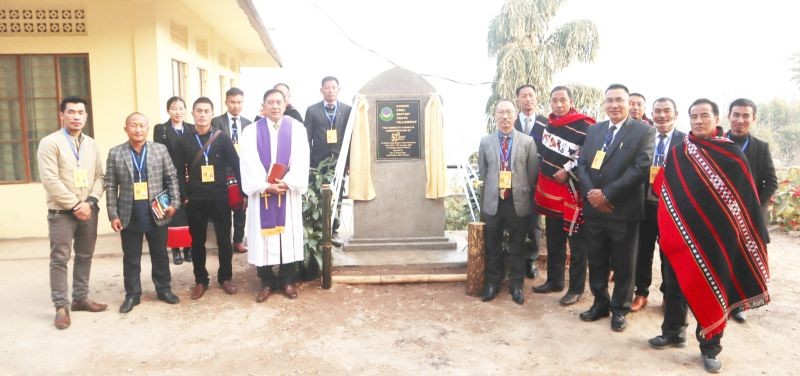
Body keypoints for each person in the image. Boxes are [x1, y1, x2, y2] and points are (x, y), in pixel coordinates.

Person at [647, 98, 770, 373]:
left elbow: (743, 201)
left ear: (717, 119)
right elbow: (665, 191)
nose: (699, 121)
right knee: (674, 286)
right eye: (694, 116)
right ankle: (673, 332)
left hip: (716, 240)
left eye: (705, 116)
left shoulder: (732, 155)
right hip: (679, 236)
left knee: (711, 289)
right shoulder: (679, 152)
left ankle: (710, 346)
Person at [576, 84, 654, 332]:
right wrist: (592, 195)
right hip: (594, 210)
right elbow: (583, 164)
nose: (614, 105)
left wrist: (607, 194)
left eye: (619, 100)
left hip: (624, 211)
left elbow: (640, 169)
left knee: (624, 263)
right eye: (609, 100)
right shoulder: (594, 130)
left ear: (629, 103)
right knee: (596, 260)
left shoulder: (643, 131)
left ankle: (620, 309)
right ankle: (600, 302)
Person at [37, 96, 107, 329]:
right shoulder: (50, 143)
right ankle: (60, 306)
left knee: (85, 255)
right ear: (62, 115)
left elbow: (100, 176)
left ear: (86, 116)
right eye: (72, 112)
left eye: (81, 112)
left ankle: (80, 298)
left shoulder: (91, 144)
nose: (76, 116)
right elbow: (50, 179)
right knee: (60, 259)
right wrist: (76, 206)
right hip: (62, 212)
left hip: (89, 208)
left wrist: (90, 202)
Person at [105, 113, 181, 313]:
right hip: (129, 214)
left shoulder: (159, 150)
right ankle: (132, 295)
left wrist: (174, 203)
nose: (138, 129)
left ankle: (164, 289)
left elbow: (172, 177)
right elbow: (111, 185)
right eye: (133, 125)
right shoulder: (115, 153)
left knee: (160, 255)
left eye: (142, 126)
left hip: (157, 212)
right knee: (131, 258)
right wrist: (113, 214)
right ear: (126, 128)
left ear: (148, 129)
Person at [240, 89, 310, 301]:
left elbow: (302, 158)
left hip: (288, 194)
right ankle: (267, 282)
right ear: (263, 106)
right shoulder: (251, 131)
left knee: (288, 236)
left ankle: (287, 280)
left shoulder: (297, 128)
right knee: (263, 240)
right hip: (262, 194)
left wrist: (288, 182)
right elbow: (248, 161)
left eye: (279, 102)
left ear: (286, 104)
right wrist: (264, 185)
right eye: (270, 102)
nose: (275, 106)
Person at [531, 86, 596, 306]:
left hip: (572, 193)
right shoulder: (549, 124)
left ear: (571, 101)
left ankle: (576, 289)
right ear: (549, 102)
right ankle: (555, 280)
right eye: (554, 101)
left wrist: (568, 170)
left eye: (562, 100)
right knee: (554, 239)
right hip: (550, 193)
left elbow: (590, 154)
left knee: (577, 243)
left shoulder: (586, 125)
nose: (559, 105)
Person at [175, 97, 242, 299]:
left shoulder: (222, 138)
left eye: (206, 111)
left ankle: (225, 277)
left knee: (224, 239)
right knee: (197, 242)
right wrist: (184, 196)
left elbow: (236, 165)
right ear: (193, 114)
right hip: (195, 199)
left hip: (220, 197)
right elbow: (178, 171)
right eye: (199, 111)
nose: (202, 114)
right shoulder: (184, 140)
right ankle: (201, 280)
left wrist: (242, 193)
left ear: (212, 114)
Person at [478, 99, 538, 305]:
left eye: (509, 112)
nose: (505, 116)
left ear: (515, 115)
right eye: (501, 112)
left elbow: (532, 174)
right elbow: (484, 172)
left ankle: (516, 285)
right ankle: (493, 283)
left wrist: (520, 189)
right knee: (493, 244)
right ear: (495, 115)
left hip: (517, 201)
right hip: (494, 201)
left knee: (518, 246)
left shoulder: (527, 141)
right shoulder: (485, 142)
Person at [631, 98, 686, 312]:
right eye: (657, 111)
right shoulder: (643, 138)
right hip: (644, 204)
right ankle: (641, 292)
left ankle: (668, 294)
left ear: (675, 113)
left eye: (666, 111)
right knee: (642, 251)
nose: (662, 115)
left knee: (669, 253)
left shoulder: (684, 141)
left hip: (671, 208)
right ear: (651, 114)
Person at [725, 98, 777, 323]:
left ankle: (738, 305)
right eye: (736, 115)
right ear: (729, 116)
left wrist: (753, 207)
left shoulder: (760, 147)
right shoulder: (717, 143)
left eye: (746, 116)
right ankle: (713, 300)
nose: (740, 120)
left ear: (753, 119)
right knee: (717, 257)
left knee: (742, 260)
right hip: (718, 214)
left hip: (748, 217)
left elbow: (771, 182)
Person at [153, 96, 195, 265]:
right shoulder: (161, 129)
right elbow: (159, 154)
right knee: (174, 213)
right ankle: (176, 250)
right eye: (174, 108)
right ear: (168, 110)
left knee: (190, 214)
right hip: (169, 177)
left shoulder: (192, 128)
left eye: (181, 108)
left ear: (186, 110)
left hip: (190, 177)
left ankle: (188, 248)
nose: (178, 112)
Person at [212, 87, 252, 254]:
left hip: (241, 169)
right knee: (222, 207)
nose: (236, 105)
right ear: (226, 102)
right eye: (232, 102)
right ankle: (224, 241)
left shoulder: (249, 124)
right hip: (222, 170)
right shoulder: (216, 122)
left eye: (239, 102)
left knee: (241, 205)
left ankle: (238, 240)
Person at [512, 84, 547, 280]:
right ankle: (514, 261)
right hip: (515, 182)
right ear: (518, 99)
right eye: (523, 96)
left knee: (534, 225)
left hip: (538, 182)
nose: (528, 99)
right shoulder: (511, 122)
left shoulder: (546, 123)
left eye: (531, 95)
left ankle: (531, 260)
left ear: (536, 98)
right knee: (514, 222)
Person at [304, 76, 352, 169]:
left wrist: (349, 161)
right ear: (321, 90)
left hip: (340, 160)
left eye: (334, 87)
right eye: (327, 88)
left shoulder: (347, 110)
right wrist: (307, 161)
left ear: (339, 90)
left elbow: (350, 137)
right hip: (317, 161)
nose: (330, 91)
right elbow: (307, 138)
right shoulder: (312, 110)